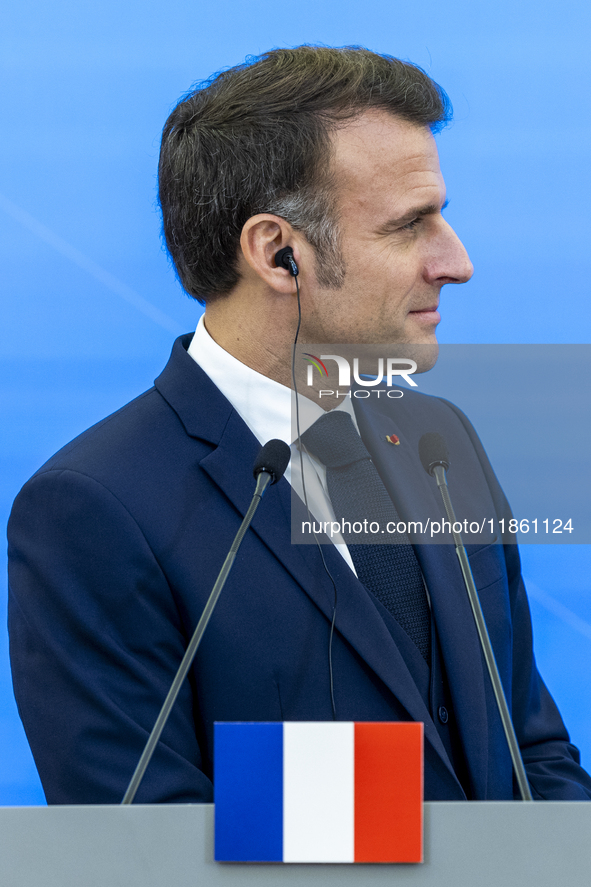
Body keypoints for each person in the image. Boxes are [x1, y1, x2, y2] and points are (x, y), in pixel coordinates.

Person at [8, 46, 591, 804]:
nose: (456, 261)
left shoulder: (438, 439)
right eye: (409, 224)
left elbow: (530, 750)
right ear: (278, 254)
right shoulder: (92, 506)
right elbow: (142, 840)